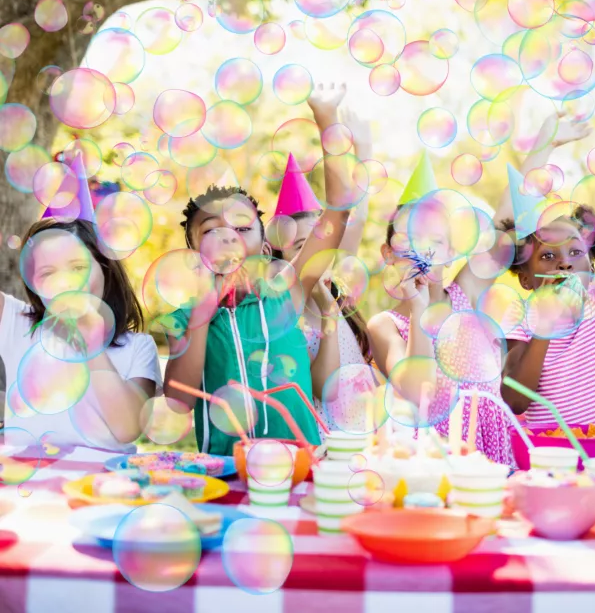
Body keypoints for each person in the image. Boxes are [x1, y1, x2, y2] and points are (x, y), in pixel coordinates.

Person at [367, 113, 591, 464]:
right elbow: (417, 388)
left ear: (453, 252)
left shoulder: (465, 294)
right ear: (387, 254)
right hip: (433, 461)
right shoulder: (384, 325)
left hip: (492, 457)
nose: (421, 250)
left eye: (434, 240)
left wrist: (544, 145)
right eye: (407, 240)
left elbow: (507, 223)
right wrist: (417, 308)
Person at [164, 83, 356, 455]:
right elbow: (177, 401)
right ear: (193, 254)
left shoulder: (288, 290)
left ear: (266, 249)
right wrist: (201, 314)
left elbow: (339, 209)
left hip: (302, 464)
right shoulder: (184, 319)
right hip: (226, 470)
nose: (227, 237)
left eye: (241, 227)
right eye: (211, 230)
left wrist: (326, 117)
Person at [0, 155, 161, 452]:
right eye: (47, 273)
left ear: (105, 269)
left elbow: (127, 429)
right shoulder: (15, 323)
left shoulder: (137, 347)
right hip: (26, 490)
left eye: (77, 267)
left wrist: (91, 346)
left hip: (104, 488)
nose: (65, 282)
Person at [500, 117, 595, 458]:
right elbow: (516, 399)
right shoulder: (521, 319)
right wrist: (545, 326)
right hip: (559, 467)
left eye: (576, 252)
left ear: (591, 265)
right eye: (547, 255)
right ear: (526, 278)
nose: (564, 263)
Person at [269, 109, 373, 432]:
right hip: (332, 435)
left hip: (366, 429)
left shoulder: (340, 281)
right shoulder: (289, 310)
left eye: (312, 242)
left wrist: (364, 149)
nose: (308, 253)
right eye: (297, 246)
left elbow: (358, 213)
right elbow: (324, 389)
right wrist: (328, 314)